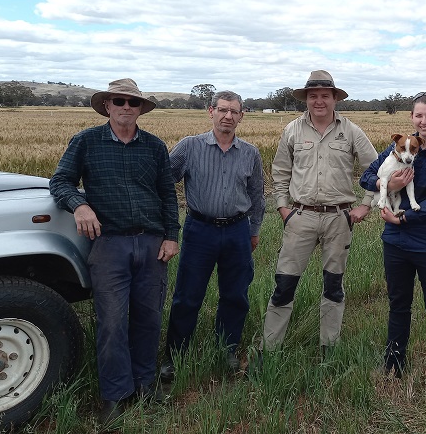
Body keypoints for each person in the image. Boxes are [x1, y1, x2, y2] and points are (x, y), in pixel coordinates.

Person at [49, 78, 179, 425]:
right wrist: (79, 205)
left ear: (140, 109)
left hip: (152, 245)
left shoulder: (154, 146)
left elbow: (167, 194)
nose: (125, 107)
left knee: (148, 319)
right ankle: (115, 395)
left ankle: (145, 384)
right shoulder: (86, 141)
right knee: (111, 323)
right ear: (107, 105)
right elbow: (60, 181)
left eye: (132, 103)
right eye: (118, 101)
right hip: (109, 246)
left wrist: (171, 235)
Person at [261, 70, 378, 353]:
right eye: (313, 96)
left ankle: (329, 348)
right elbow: (280, 171)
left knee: (333, 286)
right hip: (300, 218)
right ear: (306, 99)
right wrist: (282, 208)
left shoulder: (351, 131)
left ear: (335, 98)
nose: (319, 101)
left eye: (325, 95)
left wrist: (365, 204)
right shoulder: (292, 130)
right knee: (284, 284)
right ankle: (268, 349)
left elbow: (376, 168)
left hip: (339, 218)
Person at [159, 91, 265, 382]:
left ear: (241, 116)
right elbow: (164, 183)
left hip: (237, 230)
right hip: (199, 230)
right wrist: (167, 227)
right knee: (187, 296)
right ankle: (175, 355)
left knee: (235, 295)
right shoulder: (189, 147)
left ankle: (226, 351)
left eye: (234, 111)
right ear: (211, 111)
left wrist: (253, 231)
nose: (228, 116)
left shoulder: (250, 153)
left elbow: (257, 197)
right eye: (222, 110)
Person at [359, 92, 426, 379]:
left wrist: (402, 216)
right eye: (419, 115)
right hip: (396, 243)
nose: (424, 120)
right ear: (412, 118)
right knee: (398, 305)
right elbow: (366, 176)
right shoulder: (395, 149)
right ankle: (394, 364)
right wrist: (385, 182)